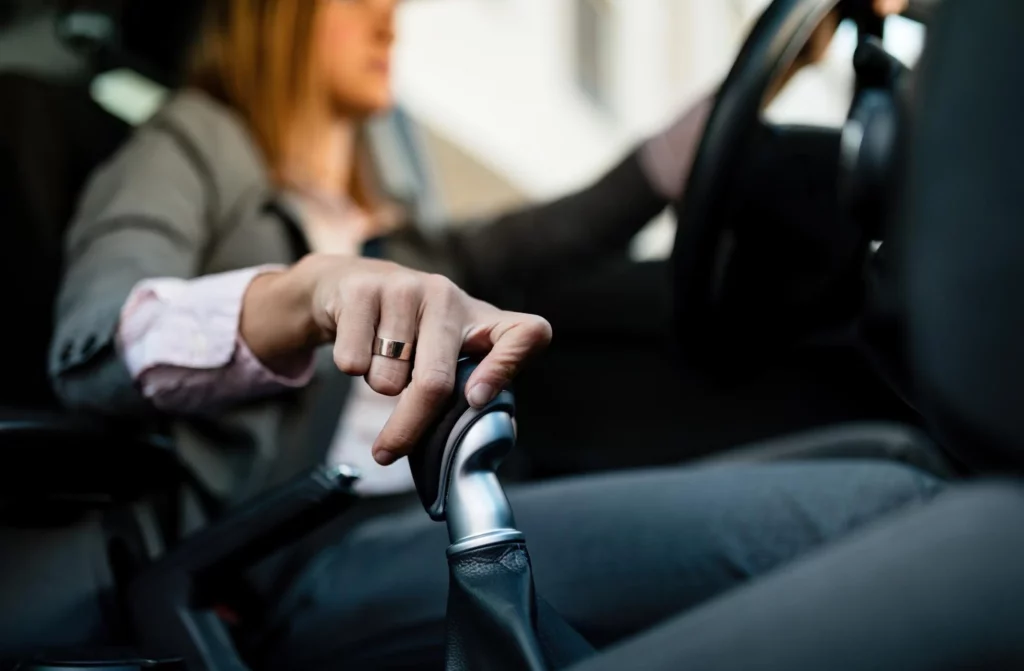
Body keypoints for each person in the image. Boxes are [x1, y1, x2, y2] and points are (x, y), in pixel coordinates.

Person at [50, 0, 927, 667]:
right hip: (303, 550)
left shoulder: (392, 222)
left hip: (442, 508)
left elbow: (579, 222)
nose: (390, 13)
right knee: (885, 522)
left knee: (899, 471)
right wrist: (309, 291)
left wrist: (787, 49)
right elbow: (99, 343)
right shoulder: (190, 145)